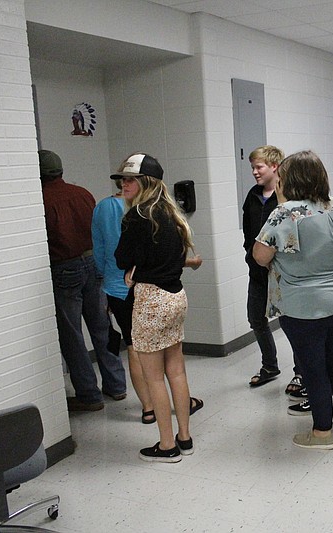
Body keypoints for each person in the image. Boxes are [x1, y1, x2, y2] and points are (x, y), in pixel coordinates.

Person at [253, 150, 333, 450]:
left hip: (305, 304)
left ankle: (323, 432)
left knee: (313, 367)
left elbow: (261, 257)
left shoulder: (284, 213)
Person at [114, 153, 202, 463]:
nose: (123, 185)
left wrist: (133, 270)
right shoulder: (172, 214)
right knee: (176, 371)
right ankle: (185, 437)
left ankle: (167, 446)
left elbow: (121, 258)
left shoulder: (137, 217)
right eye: (122, 180)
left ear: (145, 183)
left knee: (154, 379)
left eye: (129, 180)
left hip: (151, 301)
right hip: (176, 297)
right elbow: (172, 259)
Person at [93, 180, 203, 424]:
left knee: (134, 348)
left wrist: (107, 283)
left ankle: (148, 408)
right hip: (157, 291)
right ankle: (181, 428)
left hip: (121, 288)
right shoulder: (159, 212)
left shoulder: (107, 209)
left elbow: (101, 250)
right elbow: (162, 257)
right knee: (173, 365)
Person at [38, 149, 127, 412]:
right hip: (93, 264)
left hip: (64, 268)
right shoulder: (83, 193)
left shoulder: (40, 199)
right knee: (102, 326)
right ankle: (117, 385)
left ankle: (89, 395)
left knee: (72, 334)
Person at [243, 145, 302, 394]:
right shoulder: (252, 196)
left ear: (275, 166)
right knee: (256, 318)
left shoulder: (288, 197)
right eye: (253, 167)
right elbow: (249, 235)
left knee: (292, 322)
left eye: (260, 167)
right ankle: (270, 366)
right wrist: (254, 258)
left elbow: (293, 234)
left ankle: (301, 372)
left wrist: (272, 260)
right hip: (257, 270)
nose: (255, 172)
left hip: (283, 273)